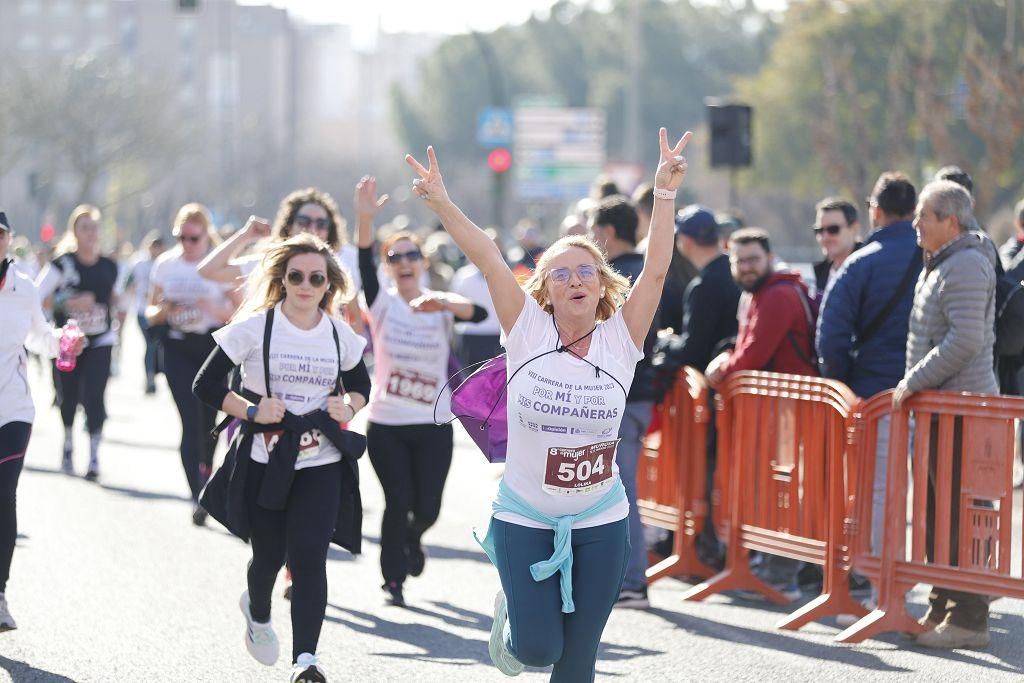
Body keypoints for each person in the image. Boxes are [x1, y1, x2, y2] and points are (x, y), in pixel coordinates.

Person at [406, 127, 691, 680]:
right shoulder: (528, 331)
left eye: (586, 269)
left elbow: (656, 270)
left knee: (577, 659)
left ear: (603, 283)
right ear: (546, 288)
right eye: (560, 273)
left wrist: (663, 194)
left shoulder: (621, 338)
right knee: (537, 650)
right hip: (526, 514)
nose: (575, 279)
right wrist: (441, 203)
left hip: (599, 517)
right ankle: (513, 616)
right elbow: (488, 258)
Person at [193, 233, 371, 683]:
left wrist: (347, 406)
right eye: (297, 276)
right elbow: (206, 385)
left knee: (309, 558)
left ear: (329, 283)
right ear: (283, 279)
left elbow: (360, 387)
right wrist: (252, 409)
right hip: (265, 459)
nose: (306, 285)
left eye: (316, 277)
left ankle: (305, 660)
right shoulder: (255, 327)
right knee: (268, 558)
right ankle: (256, 609)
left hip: (321, 460)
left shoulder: (338, 334)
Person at [354, 175, 489, 607]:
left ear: (423, 262)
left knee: (427, 508)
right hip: (387, 423)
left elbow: (482, 312)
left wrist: (446, 303)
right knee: (397, 501)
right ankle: (393, 580)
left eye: (413, 254)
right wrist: (364, 218)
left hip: (433, 425)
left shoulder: (440, 303)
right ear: (389, 265)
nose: (405, 261)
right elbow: (360, 262)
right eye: (396, 256)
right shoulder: (381, 303)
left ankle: (414, 538)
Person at [893, 180, 999, 650]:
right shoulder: (946, 261)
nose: (916, 223)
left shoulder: (968, 265)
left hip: (965, 412)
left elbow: (966, 340)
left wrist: (913, 380)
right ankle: (942, 605)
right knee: (938, 512)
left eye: (924, 216)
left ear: (951, 222)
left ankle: (969, 619)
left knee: (962, 514)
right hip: (944, 410)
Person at [816, 173, 920, 607]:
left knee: (878, 492)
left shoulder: (862, 263)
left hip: (876, 396)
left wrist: (847, 385)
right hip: (939, 395)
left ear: (875, 211)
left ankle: (881, 590)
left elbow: (830, 337)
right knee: (936, 489)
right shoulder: (937, 256)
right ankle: (950, 590)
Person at [704, 227, 818, 600]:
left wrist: (723, 367)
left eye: (754, 259)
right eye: (740, 261)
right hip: (780, 409)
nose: (747, 267)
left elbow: (751, 355)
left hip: (793, 407)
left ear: (770, 258)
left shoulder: (779, 295)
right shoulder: (761, 293)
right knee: (776, 489)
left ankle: (780, 572)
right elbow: (746, 349)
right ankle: (771, 566)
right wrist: (729, 359)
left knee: (784, 490)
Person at [0, 212, 85, 632]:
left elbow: (36, 337)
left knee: (4, 497)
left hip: (12, 411)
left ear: (9, 240)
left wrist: (63, 341)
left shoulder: (24, 288)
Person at [652, 205, 741, 566]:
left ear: (685, 241)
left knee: (705, 474)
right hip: (730, 394)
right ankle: (711, 547)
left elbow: (692, 348)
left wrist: (663, 340)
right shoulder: (733, 274)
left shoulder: (704, 285)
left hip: (713, 398)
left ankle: (706, 550)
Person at [146, 204, 239, 525]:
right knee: (189, 418)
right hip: (177, 348)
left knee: (209, 422)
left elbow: (241, 314)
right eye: (180, 236)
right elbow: (149, 312)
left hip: (212, 347)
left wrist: (211, 306)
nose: (186, 243)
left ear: (205, 235)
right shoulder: (166, 265)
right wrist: (166, 308)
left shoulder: (219, 263)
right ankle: (197, 493)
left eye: (193, 237)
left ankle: (207, 474)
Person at [588, 195, 658, 609]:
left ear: (606, 233)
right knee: (613, 486)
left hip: (619, 397)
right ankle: (621, 577)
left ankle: (632, 580)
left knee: (618, 488)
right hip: (639, 395)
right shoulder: (644, 276)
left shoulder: (613, 280)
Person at [197, 187, 363, 332]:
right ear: (289, 226)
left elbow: (355, 321)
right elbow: (207, 271)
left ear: (330, 232)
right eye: (303, 221)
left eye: (321, 224)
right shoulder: (267, 264)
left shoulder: (338, 270)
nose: (312, 229)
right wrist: (245, 235)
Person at [36, 205, 122, 481]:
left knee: (95, 395)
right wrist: (69, 301)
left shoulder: (110, 265)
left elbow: (119, 298)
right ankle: (69, 441)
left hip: (100, 339)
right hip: (68, 342)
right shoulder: (62, 264)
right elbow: (37, 298)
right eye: (84, 227)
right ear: (74, 231)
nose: (91, 233)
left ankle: (95, 455)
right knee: (68, 396)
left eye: (94, 227)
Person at [450, 228, 503, 368]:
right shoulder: (463, 276)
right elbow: (454, 304)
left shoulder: (506, 274)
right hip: (470, 335)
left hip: (496, 335)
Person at [127, 233, 167, 394]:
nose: (156, 249)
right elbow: (127, 283)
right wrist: (136, 292)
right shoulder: (139, 263)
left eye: (159, 246)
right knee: (150, 345)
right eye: (153, 245)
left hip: (160, 312)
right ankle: (150, 378)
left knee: (158, 345)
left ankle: (156, 372)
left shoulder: (166, 263)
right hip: (143, 311)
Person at [811, 197, 862, 301]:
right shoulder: (821, 273)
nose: (824, 237)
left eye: (833, 229)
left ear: (854, 229)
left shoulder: (869, 270)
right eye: (819, 230)